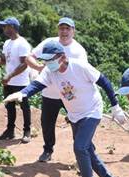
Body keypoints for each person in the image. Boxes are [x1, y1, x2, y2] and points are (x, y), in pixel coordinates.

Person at [4, 40, 124, 177]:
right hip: (75, 114)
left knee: (80, 147)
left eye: (50, 60)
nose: (48, 63)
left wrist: (115, 106)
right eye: (45, 60)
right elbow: (38, 85)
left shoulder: (79, 67)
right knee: (86, 148)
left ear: (62, 57)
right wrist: (23, 93)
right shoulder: (50, 72)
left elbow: (104, 81)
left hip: (92, 110)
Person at [26, 17, 87, 162]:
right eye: (61, 28)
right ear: (58, 30)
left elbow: (82, 74)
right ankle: (47, 150)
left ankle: (81, 155)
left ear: (73, 31)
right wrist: (39, 67)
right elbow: (29, 57)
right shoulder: (49, 43)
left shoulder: (79, 51)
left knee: (77, 124)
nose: (64, 31)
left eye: (67, 28)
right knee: (47, 123)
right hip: (49, 93)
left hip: (69, 94)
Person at [0, 17, 32, 143]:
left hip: (21, 82)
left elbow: (25, 64)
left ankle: (27, 131)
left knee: (25, 107)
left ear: (12, 27)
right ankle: (10, 131)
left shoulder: (22, 43)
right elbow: (3, 61)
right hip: (9, 81)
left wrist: (10, 76)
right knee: (10, 107)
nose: (3, 28)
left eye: (5, 26)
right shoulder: (7, 43)